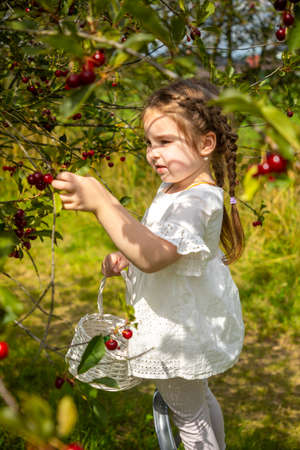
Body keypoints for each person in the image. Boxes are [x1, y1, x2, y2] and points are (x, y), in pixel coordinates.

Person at [52, 77, 245, 450]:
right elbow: (161, 242)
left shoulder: (195, 200)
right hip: (184, 319)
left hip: (175, 330)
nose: (152, 153)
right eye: (149, 143)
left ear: (206, 144)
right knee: (198, 402)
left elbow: (155, 257)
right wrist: (128, 256)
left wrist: (103, 203)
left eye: (165, 142)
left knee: (188, 417)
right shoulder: (177, 186)